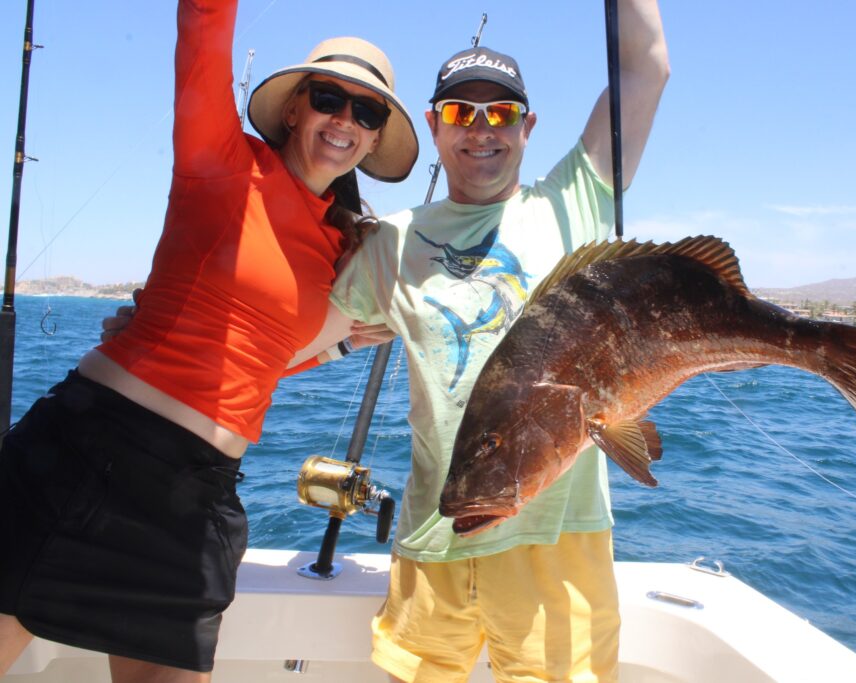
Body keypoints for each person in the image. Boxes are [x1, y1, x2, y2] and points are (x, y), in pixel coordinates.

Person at [0, 0, 418, 680]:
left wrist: (339, 345)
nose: (345, 120)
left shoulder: (347, 252)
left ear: (374, 142)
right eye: (330, 97)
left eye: (367, 112)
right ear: (294, 108)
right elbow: (201, 24)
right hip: (84, 456)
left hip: (196, 497)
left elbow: (255, 366)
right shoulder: (219, 158)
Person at [309, 2, 669, 679]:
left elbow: (646, 69)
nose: (481, 130)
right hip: (432, 536)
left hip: (557, 545)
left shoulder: (575, 199)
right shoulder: (388, 243)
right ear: (434, 125)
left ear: (528, 127)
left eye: (500, 114)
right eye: (460, 113)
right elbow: (301, 338)